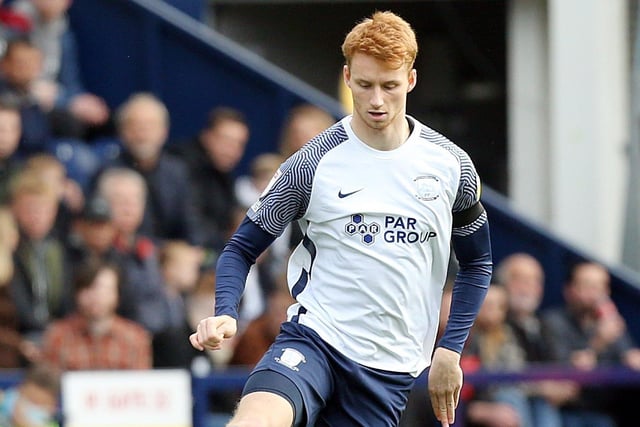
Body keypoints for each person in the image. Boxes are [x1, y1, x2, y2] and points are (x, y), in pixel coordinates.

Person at [190, 11, 492, 427]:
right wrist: (226, 309)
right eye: (365, 86)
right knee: (256, 419)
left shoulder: (451, 166)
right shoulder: (314, 161)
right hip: (315, 338)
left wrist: (450, 349)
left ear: (412, 80)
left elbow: (478, 263)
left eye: (390, 86)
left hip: (387, 367)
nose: (376, 101)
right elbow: (241, 248)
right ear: (347, 77)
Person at [542, 261, 639, 427]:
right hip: (565, 412)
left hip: (604, 412)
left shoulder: (610, 324)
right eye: (588, 286)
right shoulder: (552, 322)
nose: (595, 294)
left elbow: (631, 358)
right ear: (569, 290)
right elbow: (570, 373)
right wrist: (598, 342)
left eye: (600, 287)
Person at [40, 257, 152, 370]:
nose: (96, 296)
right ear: (77, 293)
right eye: (89, 288)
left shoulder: (136, 339)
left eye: (104, 290)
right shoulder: (57, 336)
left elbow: (141, 384)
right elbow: (48, 385)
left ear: (117, 295)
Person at [174, 106, 250, 251]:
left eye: (239, 144)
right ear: (207, 136)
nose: (231, 150)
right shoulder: (182, 164)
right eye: (226, 140)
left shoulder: (225, 177)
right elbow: (191, 227)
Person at [0, 362, 61, 427]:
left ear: (53, 407)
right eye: (29, 399)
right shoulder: (6, 404)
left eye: (38, 403)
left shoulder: (51, 424)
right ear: (19, 389)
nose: (31, 406)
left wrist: (22, 421)